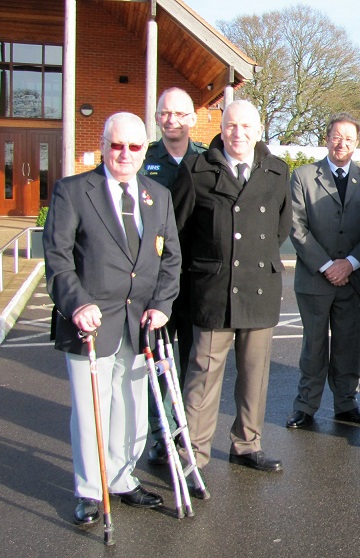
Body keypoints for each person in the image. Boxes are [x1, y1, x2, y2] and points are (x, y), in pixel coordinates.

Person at [43, 112, 181, 524]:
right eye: (116, 145)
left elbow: (171, 259)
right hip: (91, 322)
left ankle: (122, 478)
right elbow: (58, 258)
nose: (124, 153)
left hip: (140, 322)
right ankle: (91, 490)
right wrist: (77, 304)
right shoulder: (73, 191)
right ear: (103, 146)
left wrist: (162, 305)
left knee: (132, 408)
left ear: (144, 151)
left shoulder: (158, 195)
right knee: (91, 413)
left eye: (134, 146)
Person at [172, 100, 291, 489]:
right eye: (230, 125)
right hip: (213, 290)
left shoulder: (277, 171)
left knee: (255, 375)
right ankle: (193, 455)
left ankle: (247, 444)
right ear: (221, 129)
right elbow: (178, 231)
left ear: (258, 130)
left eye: (246, 126)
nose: (238, 133)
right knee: (203, 376)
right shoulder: (196, 169)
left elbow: (281, 228)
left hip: (259, 288)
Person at [286, 113, 360, 428]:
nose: (342, 143)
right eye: (337, 137)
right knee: (313, 346)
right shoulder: (302, 176)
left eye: (349, 139)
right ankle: (306, 405)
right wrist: (327, 265)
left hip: (354, 278)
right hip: (315, 278)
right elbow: (296, 227)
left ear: (357, 143)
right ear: (326, 138)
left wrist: (349, 263)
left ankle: (346, 403)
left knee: (349, 345)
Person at [141, 87, 207, 466]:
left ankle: (186, 432)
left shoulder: (207, 160)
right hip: (157, 280)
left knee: (193, 362)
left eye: (180, 114)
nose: (172, 120)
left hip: (197, 279)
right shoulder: (143, 159)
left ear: (192, 119)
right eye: (165, 113)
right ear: (157, 118)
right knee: (159, 363)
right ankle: (161, 434)